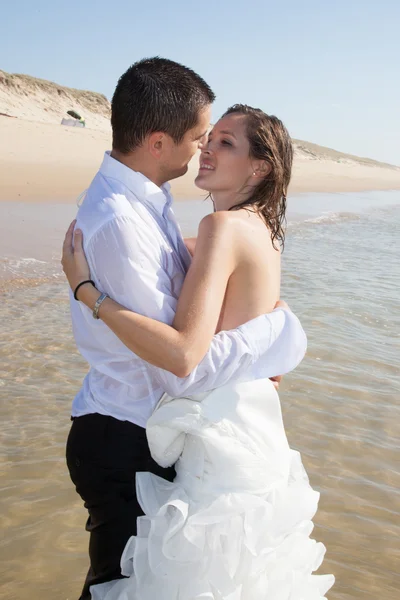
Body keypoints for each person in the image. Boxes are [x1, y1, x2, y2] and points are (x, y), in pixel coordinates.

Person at [62, 99, 334, 598]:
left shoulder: (222, 228)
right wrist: (274, 338)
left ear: (260, 166)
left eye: (225, 142)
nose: (207, 148)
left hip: (214, 430)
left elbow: (185, 358)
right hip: (250, 427)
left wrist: (87, 292)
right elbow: (191, 265)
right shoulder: (262, 229)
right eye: (209, 138)